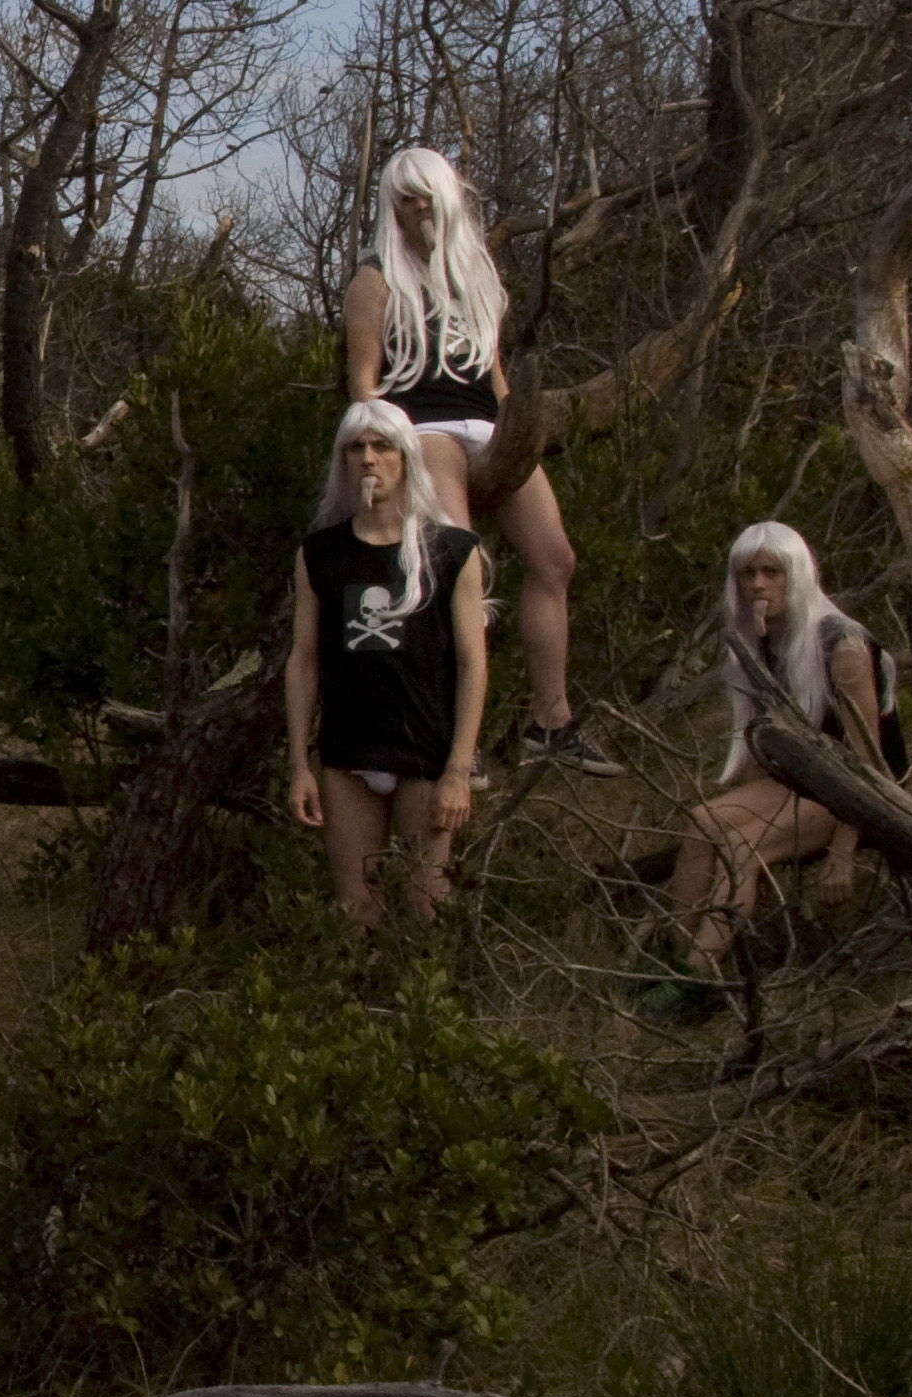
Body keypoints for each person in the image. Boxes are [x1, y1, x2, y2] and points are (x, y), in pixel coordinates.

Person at [341, 145, 609, 772]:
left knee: (556, 559)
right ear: (391, 208)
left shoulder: (475, 276)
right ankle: (451, 738)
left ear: (447, 197)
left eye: (426, 194)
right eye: (404, 198)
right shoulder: (376, 278)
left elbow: (495, 373)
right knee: (456, 570)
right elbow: (363, 383)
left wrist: (520, 428)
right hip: (422, 425)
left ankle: (551, 722)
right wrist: (387, 452)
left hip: (487, 424)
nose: (417, 207)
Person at [639, 522, 882, 1022]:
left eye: (772, 572)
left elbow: (868, 763)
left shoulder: (843, 647)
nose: (758, 584)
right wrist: (752, 809)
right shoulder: (756, 641)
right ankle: (671, 963)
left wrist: (843, 851)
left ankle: (697, 981)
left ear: (797, 574)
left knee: (741, 849)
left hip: (852, 793)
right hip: (797, 781)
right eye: (746, 573)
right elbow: (758, 747)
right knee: (703, 822)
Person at [283, 400, 493, 925]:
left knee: (427, 904)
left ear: (407, 457)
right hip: (349, 751)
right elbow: (303, 661)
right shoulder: (319, 554)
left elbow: (473, 665)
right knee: (356, 909)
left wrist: (458, 770)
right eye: (356, 448)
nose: (369, 459)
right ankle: (357, 981)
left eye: (382, 446)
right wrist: (299, 765)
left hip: (425, 749)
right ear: (342, 461)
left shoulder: (452, 552)